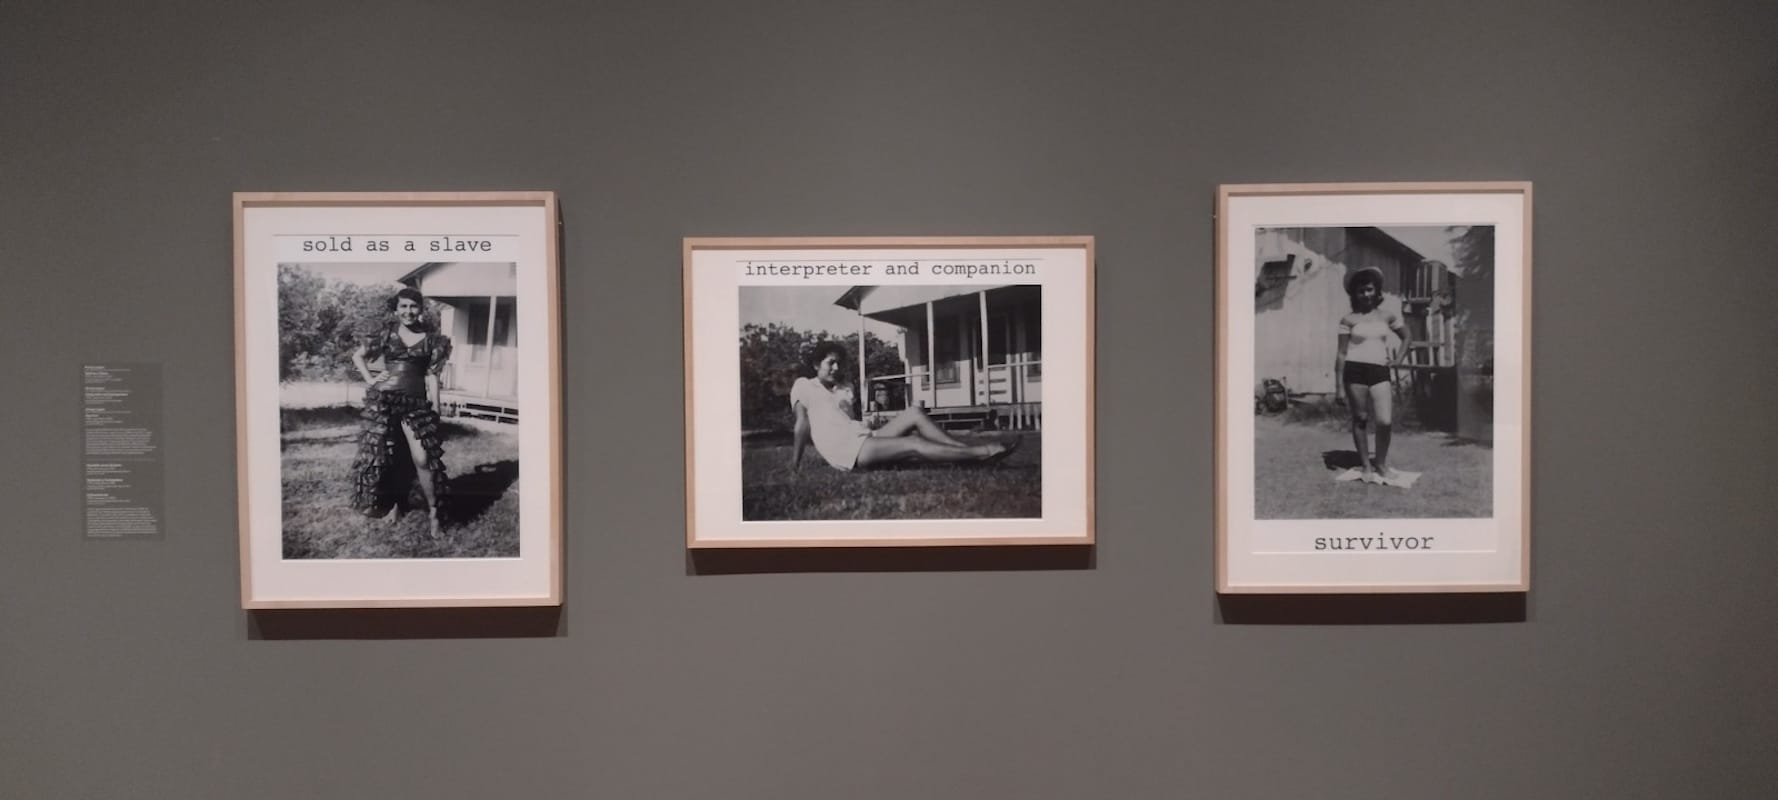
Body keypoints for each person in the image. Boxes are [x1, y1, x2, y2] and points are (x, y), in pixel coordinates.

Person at [789, 341, 1014, 472]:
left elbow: (847, 421)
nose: (836, 368)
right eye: (831, 363)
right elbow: (801, 425)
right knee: (913, 443)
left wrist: (867, 426)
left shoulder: (845, 387)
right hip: (845, 450)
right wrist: (795, 463)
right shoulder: (804, 385)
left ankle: (963, 454)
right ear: (816, 365)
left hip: (862, 437)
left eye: (839, 363)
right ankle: (982, 452)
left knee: (914, 413)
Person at [348, 287, 453, 536]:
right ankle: (395, 505)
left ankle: (435, 513)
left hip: (416, 404)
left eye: (413, 306)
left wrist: (436, 409)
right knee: (388, 456)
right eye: (403, 306)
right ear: (396, 310)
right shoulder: (386, 333)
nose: (408, 311)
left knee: (422, 458)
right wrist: (371, 379)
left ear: (421, 309)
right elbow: (358, 356)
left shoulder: (432, 340)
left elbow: (432, 377)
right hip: (384, 402)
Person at [1334, 267, 1410, 484]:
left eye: (1369, 289)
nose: (1365, 294)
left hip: (1379, 371)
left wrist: (1399, 359)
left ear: (1376, 291)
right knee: (1360, 419)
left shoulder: (1387, 316)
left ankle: (1381, 463)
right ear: (1354, 294)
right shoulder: (1348, 319)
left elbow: (1407, 336)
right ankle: (1366, 465)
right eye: (1361, 291)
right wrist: (1338, 387)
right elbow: (1341, 353)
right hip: (1354, 371)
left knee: (1384, 421)